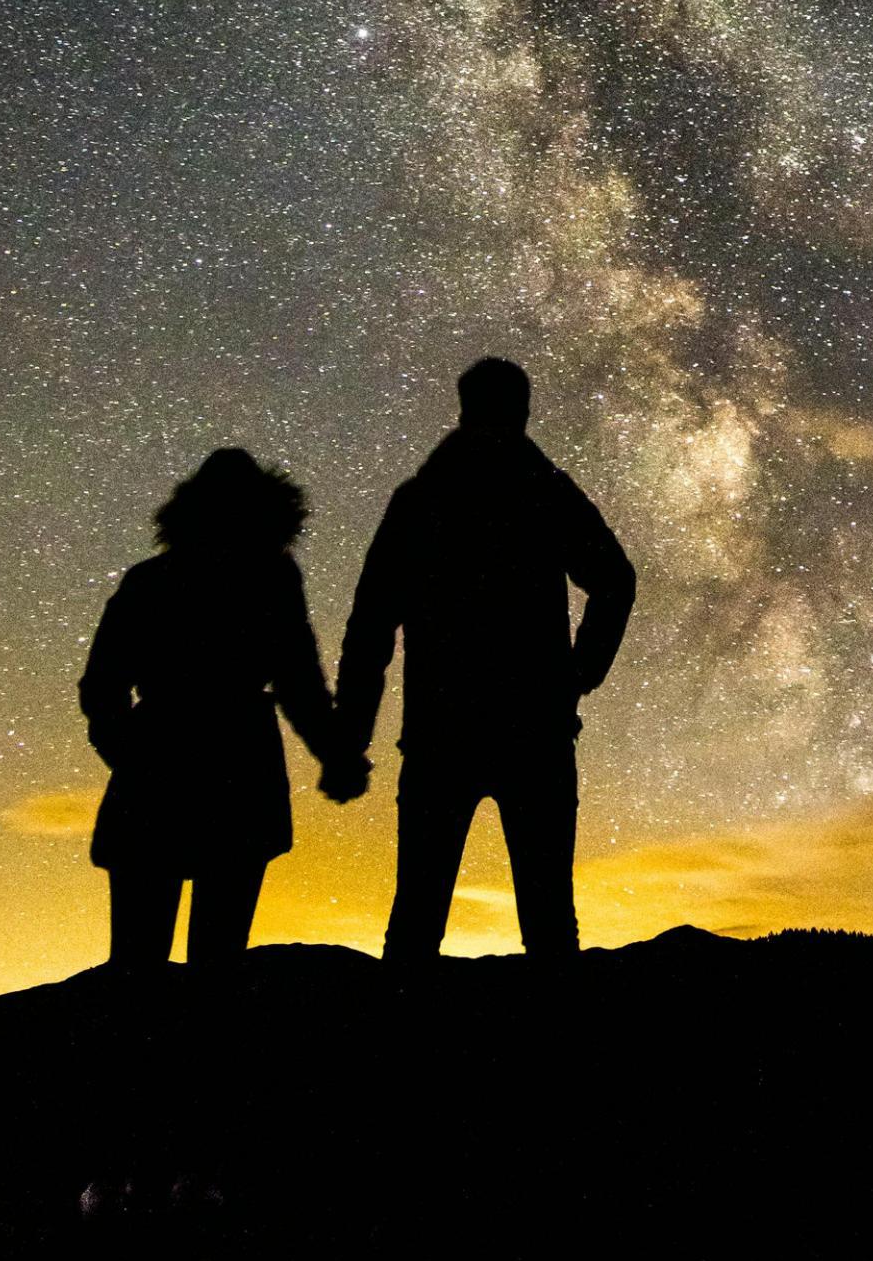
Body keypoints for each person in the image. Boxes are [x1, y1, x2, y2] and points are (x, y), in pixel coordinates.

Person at [327, 357, 634, 960]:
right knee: (550, 925)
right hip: (535, 732)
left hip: (442, 732)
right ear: (523, 412)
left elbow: (370, 625)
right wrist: (578, 674)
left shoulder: (421, 499)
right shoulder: (546, 491)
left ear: (463, 408)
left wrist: (352, 736)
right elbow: (615, 578)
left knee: (415, 921)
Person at [80, 447, 348, 969]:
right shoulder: (272, 578)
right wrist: (335, 755)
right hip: (238, 758)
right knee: (217, 959)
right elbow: (298, 680)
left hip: (163, 753)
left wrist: (127, 754)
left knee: (139, 960)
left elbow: (103, 684)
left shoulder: (150, 579)